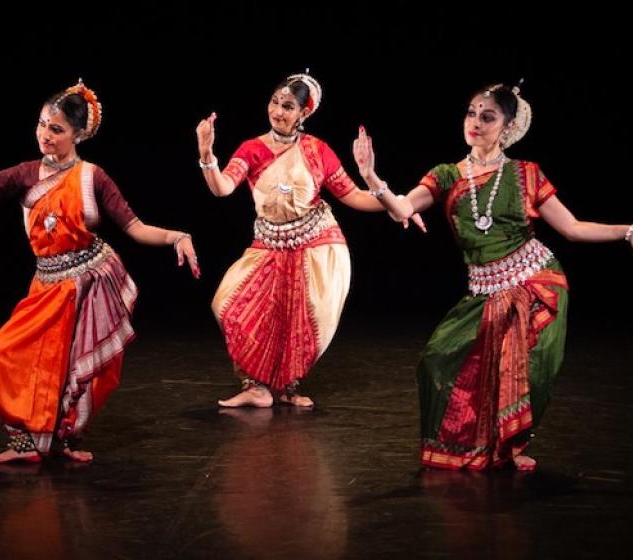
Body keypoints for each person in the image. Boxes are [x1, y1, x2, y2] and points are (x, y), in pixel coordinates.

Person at [353, 82, 633, 471]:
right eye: (471, 113)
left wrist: (628, 230)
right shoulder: (447, 175)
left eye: (488, 117)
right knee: (438, 359)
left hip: (535, 282)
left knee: (521, 368)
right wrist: (370, 175)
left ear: (508, 126)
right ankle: (477, 446)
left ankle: (511, 448)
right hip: (484, 290)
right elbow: (401, 209)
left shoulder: (526, 174)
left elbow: (572, 228)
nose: (476, 123)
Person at [0, 80, 199, 463]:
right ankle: (25, 443)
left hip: (88, 284)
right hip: (46, 285)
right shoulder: (27, 173)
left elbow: (136, 228)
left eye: (56, 129)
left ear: (78, 134)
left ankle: (59, 440)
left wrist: (178, 236)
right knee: (5, 351)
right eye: (42, 124)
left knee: (71, 368)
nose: (45, 134)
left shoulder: (93, 177)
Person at [195, 72, 422, 409]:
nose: (277, 111)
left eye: (288, 106)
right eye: (275, 102)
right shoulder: (252, 148)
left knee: (305, 314)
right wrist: (206, 152)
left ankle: (287, 387)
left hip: (316, 241)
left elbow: (354, 197)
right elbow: (222, 187)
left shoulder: (317, 151)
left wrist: (399, 202)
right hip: (270, 241)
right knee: (227, 304)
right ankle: (255, 387)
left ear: (304, 112)